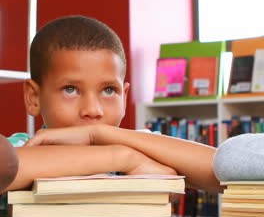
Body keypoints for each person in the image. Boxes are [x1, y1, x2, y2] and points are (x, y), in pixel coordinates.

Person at [3, 15, 220, 194]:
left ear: (124, 96)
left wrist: (98, 134)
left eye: (108, 90)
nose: (92, 110)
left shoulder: (143, 144)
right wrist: (126, 160)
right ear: (34, 97)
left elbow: (224, 175)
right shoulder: (21, 149)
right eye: (70, 89)